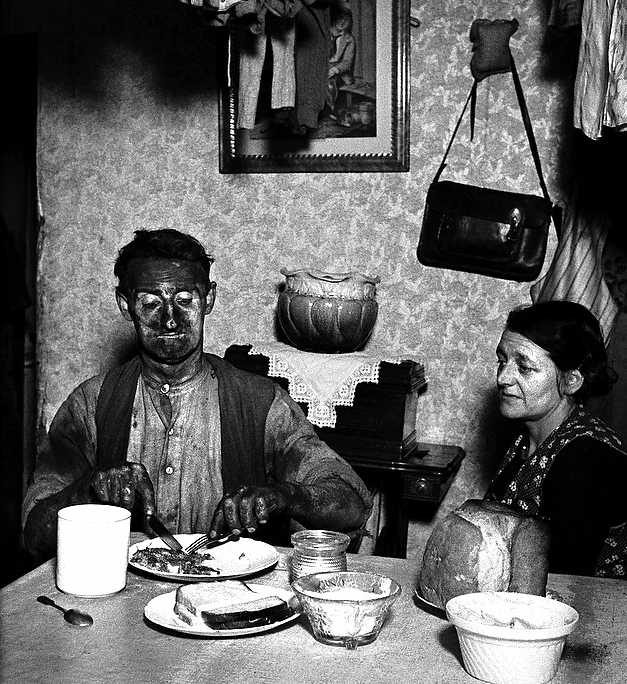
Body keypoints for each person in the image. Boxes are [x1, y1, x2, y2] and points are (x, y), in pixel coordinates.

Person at [23, 228, 373, 559]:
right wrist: (88, 490)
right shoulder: (91, 404)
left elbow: (351, 505)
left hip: (231, 600)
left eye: (185, 300)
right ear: (125, 304)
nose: (170, 319)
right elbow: (33, 535)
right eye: (150, 303)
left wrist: (285, 495)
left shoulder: (261, 403)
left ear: (209, 300)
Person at [485, 300, 627, 580]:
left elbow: (562, 581)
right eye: (502, 361)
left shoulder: (584, 458)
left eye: (525, 367)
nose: (503, 378)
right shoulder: (526, 438)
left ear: (571, 380)